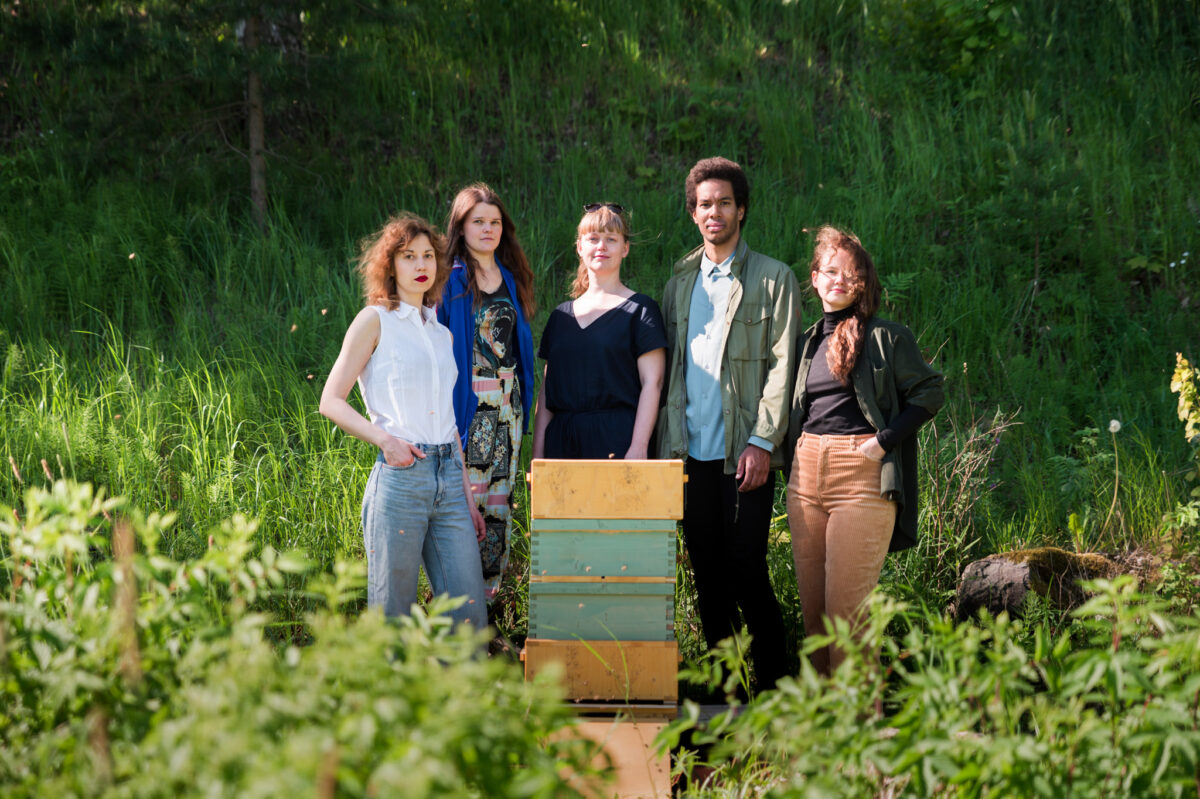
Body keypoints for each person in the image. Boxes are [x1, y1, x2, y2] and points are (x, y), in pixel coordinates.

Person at [657, 157, 801, 691]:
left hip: (744, 458)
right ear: (693, 214)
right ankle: (723, 694)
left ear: (740, 208)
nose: (712, 212)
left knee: (747, 571)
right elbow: (671, 375)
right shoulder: (679, 283)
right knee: (708, 580)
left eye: (722, 202)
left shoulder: (773, 278)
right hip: (691, 456)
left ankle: (773, 689)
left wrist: (763, 441)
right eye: (702, 204)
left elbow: (785, 365)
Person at [785, 226, 944, 675]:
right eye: (830, 271)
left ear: (864, 284)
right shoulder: (808, 342)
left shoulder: (886, 337)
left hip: (861, 474)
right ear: (814, 277)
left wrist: (884, 441)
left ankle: (860, 730)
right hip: (805, 475)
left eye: (850, 274)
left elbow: (930, 393)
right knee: (815, 620)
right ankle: (820, 730)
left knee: (846, 618)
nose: (838, 280)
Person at [319, 213, 486, 628]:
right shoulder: (374, 321)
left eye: (428, 255)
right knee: (393, 615)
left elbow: (448, 423)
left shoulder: (440, 333)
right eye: (409, 256)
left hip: (449, 477)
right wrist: (385, 441)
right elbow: (330, 400)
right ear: (390, 265)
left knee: (467, 613)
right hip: (401, 475)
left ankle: (460, 694)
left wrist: (467, 496)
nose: (421, 265)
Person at [438, 184, 536, 601]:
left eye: (494, 222)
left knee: (499, 509)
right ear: (460, 227)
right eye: (478, 221)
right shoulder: (450, 280)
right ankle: (457, 607)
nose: (488, 229)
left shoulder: (511, 278)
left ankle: (489, 609)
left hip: (508, 413)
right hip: (471, 409)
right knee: (468, 508)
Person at [532, 203, 667, 460]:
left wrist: (638, 446)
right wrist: (537, 458)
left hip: (619, 442)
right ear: (580, 246)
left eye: (611, 239)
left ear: (625, 248)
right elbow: (547, 394)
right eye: (593, 238)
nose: (601, 246)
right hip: (562, 446)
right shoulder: (560, 317)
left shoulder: (641, 310)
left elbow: (653, 383)